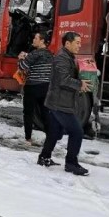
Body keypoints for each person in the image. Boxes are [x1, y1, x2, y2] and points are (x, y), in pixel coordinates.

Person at [38, 31, 92, 175]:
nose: (79, 46)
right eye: (77, 43)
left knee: (55, 132)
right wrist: (79, 84)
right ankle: (71, 164)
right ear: (67, 43)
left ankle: (44, 157)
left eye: (80, 43)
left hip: (59, 101)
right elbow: (63, 80)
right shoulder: (62, 58)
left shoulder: (68, 56)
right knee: (77, 131)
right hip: (60, 103)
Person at [18, 32, 53, 146]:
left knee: (28, 113)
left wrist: (21, 58)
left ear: (42, 41)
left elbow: (22, 67)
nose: (33, 40)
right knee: (45, 113)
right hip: (45, 87)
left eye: (36, 38)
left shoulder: (35, 54)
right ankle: (50, 137)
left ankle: (28, 138)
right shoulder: (50, 54)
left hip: (32, 87)